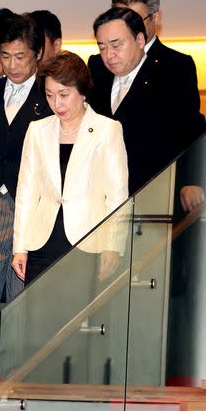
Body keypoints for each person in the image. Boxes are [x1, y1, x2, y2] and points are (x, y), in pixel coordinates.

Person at [11, 51, 128, 285]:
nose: (57, 104)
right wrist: (20, 247)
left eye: (64, 95)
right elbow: (26, 193)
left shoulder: (108, 130)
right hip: (42, 242)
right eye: (50, 95)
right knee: (37, 318)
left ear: (82, 91)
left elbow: (117, 195)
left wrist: (113, 246)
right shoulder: (37, 130)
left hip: (88, 242)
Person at [0, 13, 52, 325]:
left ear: (39, 54)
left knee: (22, 297)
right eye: (5, 56)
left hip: (31, 207)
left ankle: (19, 370)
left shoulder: (50, 95)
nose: (12, 65)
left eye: (20, 56)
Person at [94, 0, 206, 202]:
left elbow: (190, 128)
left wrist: (192, 179)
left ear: (155, 18)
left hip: (154, 189)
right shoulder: (97, 66)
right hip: (104, 191)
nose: (127, 23)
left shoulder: (175, 66)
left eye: (134, 18)